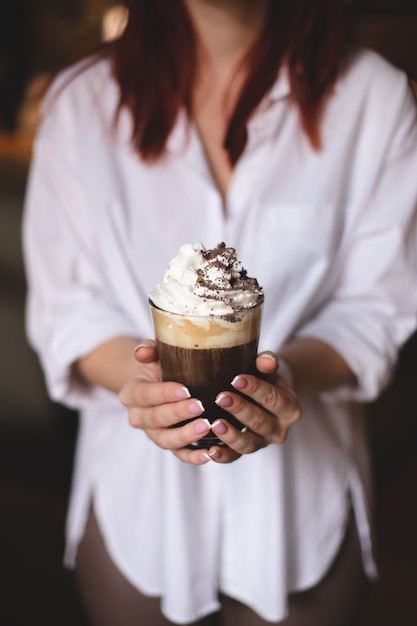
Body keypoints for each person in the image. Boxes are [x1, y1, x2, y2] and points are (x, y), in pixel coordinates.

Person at [22, 1, 417, 625]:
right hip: (138, 514)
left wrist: (282, 383)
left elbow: (376, 308)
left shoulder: (376, 96)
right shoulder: (80, 103)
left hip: (300, 520)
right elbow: (68, 309)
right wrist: (144, 385)